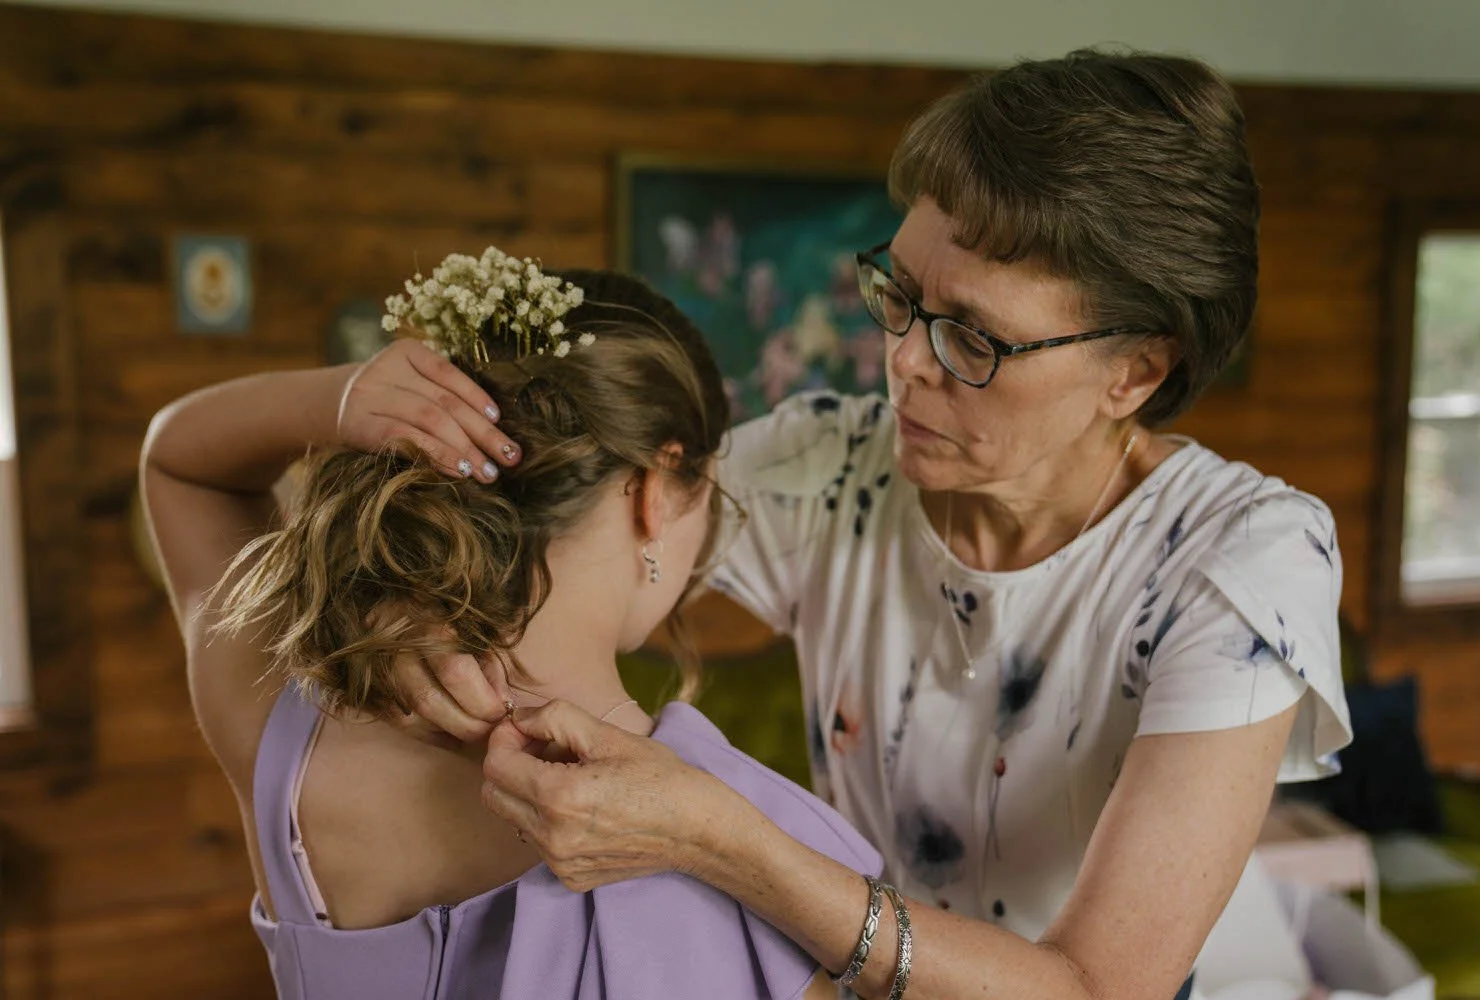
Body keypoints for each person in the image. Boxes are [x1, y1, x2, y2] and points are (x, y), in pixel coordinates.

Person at [394, 51, 1356, 1000]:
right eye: (898, 296)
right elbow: (555, 521)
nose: (901, 362)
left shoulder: (1239, 564)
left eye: (972, 337)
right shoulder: (830, 471)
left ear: (1137, 372)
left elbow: (1096, 989)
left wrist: (718, 835)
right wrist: (423, 616)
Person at [138, 255, 880, 999]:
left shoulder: (279, 706)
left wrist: (345, 397)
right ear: (654, 491)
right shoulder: (739, 846)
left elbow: (179, 466)